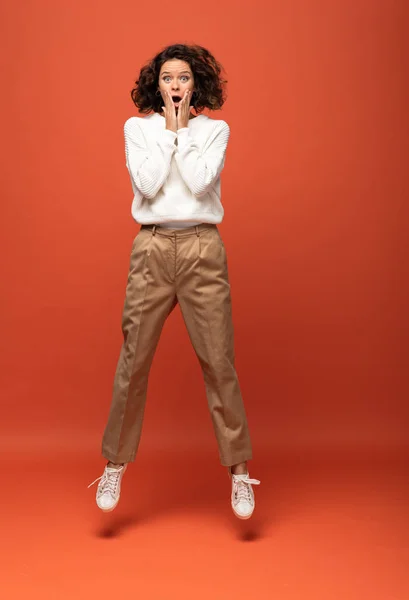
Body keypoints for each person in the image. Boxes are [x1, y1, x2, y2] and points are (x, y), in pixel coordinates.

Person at [88, 43, 260, 520]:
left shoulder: (216, 130)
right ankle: (115, 465)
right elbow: (147, 184)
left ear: (197, 83)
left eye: (184, 78)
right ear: (156, 84)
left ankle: (240, 474)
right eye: (168, 79)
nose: (176, 86)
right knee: (133, 360)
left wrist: (183, 132)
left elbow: (201, 182)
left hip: (204, 247)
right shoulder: (137, 128)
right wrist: (167, 129)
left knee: (219, 362)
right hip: (153, 246)